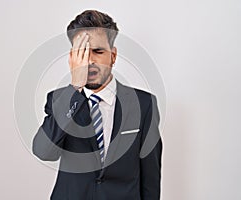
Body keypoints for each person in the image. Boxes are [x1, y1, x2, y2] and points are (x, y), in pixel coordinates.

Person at [32, 10, 162, 200]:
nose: (90, 60)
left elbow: (150, 177)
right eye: (81, 53)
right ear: (71, 58)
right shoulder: (59, 101)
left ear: (113, 56)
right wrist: (75, 88)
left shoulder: (144, 104)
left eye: (98, 51)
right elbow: (44, 151)